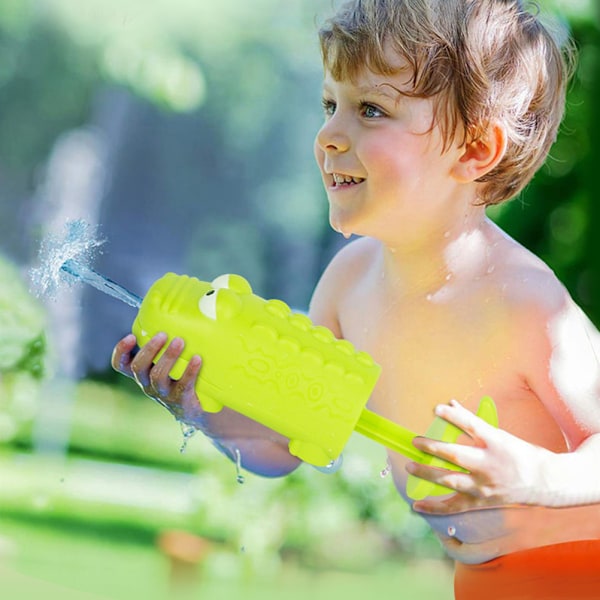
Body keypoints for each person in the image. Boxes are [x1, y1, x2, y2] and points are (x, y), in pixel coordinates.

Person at [112, 0, 600, 597]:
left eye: (371, 109)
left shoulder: (524, 304)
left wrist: (542, 478)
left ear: (475, 150)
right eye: (330, 105)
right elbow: (282, 442)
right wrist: (201, 405)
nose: (328, 135)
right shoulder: (351, 282)